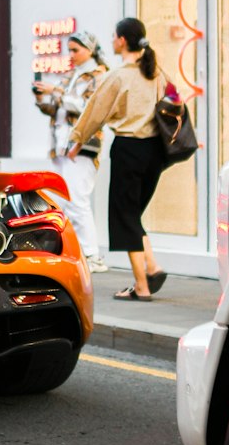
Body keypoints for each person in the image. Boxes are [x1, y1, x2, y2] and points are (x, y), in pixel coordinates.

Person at [67, 16, 171, 301]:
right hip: (155, 152)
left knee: (124, 216)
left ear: (122, 40)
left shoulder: (119, 75)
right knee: (132, 213)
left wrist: (76, 141)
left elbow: (94, 112)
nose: (111, 40)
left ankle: (142, 285)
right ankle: (152, 265)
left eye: (114, 35)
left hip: (129, 149)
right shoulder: (157, 73)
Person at [32, 28, 108, 270]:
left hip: (82, 145)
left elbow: (88, 106)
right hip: (62, 145)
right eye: (70, 50)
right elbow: (57, 108)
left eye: (76, 50)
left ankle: (92, 254)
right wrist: (42, 98)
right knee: (63, 201)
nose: (72, 55)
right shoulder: (72, 75)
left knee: (77, 200)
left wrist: (56, 91)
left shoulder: (99, 75)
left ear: (90, 49)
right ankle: (72, 251)